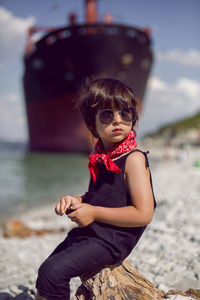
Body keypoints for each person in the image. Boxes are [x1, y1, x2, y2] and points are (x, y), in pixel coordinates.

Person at [36, 78, 156, 300]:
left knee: (53, 273)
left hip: (114, 237)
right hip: (99, 230)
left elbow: (144, 214)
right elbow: (104, 196)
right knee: (46, 270)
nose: (118, 120)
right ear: (93, 124)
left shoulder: (134, 159)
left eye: (126, 113)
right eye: (107, 115)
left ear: (133, 117)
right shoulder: (103, 157)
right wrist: (79, 200)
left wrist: (92, 212)